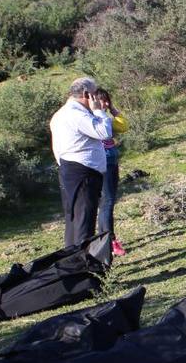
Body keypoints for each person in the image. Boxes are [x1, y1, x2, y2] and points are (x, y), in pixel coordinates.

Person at [49, 76, 113, 248]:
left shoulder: (60, 114)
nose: (97, 98)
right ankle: (80, 266)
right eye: (95, 94)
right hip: (83, 172)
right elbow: (104, 131)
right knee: (84, 221)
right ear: (86, 94)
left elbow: (57, 148)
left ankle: (72, 262)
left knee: (74, 220)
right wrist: (99, 111)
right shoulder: (76, 114)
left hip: (70, 170)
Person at [94, 88, 129, 256]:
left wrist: (113, 109)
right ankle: (110, 242)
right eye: (103, 100)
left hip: (112, 160)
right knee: (107, 202)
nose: (106, 104)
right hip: (104, 162)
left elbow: (123, 126)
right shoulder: (93, 119)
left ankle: (103, 239)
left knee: (107, 202)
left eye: (108, 100)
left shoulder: (105, 117)